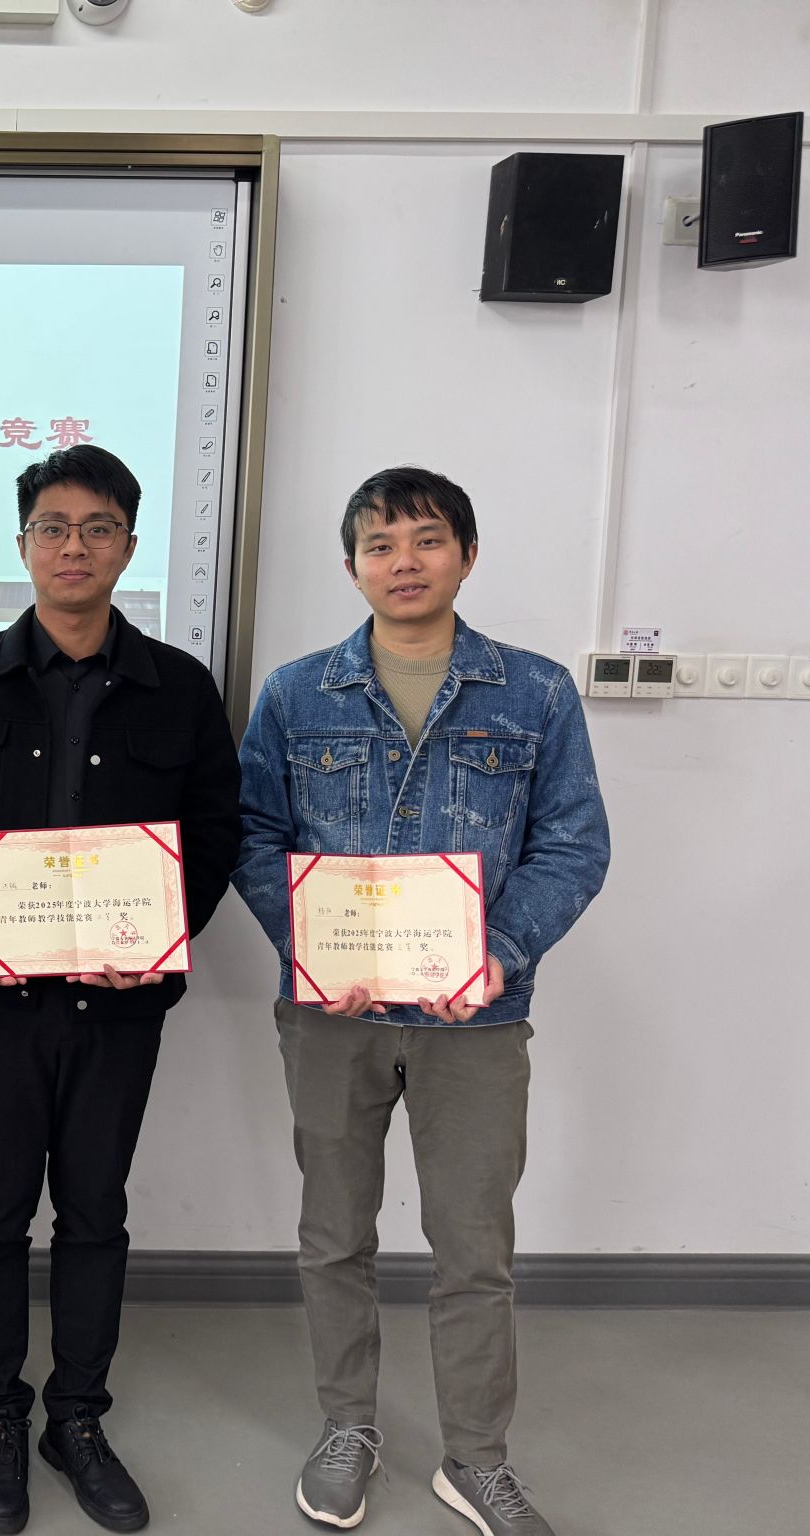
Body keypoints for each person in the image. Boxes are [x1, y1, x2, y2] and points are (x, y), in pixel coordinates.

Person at [233, 467, 610, 1535]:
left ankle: (476, 1460)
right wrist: (312, 946)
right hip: (331, 1017)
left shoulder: (533, 692)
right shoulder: (296, 694)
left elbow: (573, 844)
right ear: (351, 565)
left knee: (473, 1249)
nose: (403, 562)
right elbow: (253, 836)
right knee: (332, 1234)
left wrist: (497, 952)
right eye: (379, 544)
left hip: (475, 1020)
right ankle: (346, 1427)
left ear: (466, 554)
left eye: (427, 540)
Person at [0, 444, 242, 1534]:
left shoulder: (178, 687)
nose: (73, 547)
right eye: (51, 527)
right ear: (22, 545)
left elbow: (214, 832)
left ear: (129, 548)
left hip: (120, 1002)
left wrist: (162, 937)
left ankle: (78, 1419)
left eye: (97, 528)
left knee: (95, 1211)